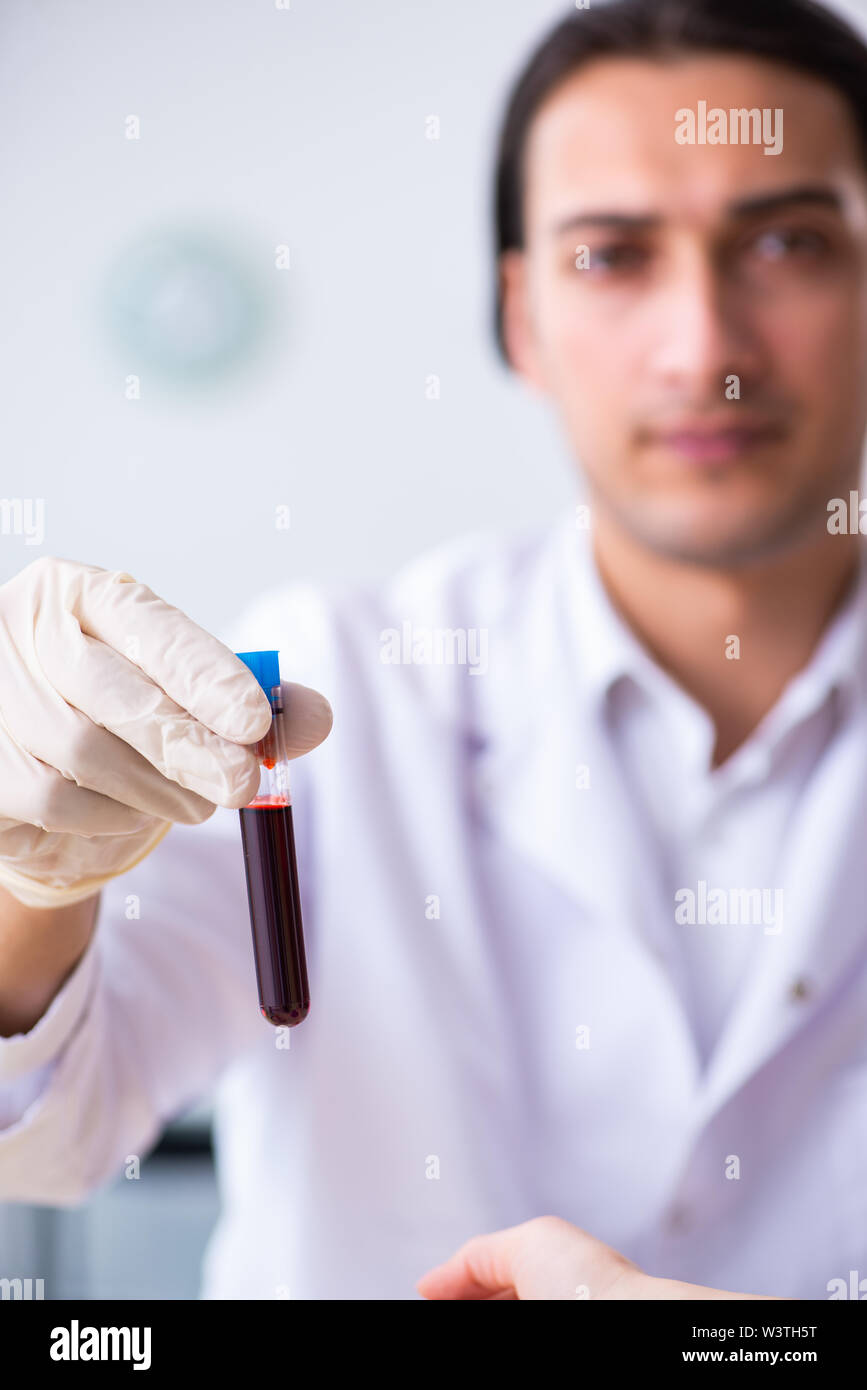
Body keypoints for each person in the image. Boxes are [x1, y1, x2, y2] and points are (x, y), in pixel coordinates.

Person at [2, 0, 867, 1301]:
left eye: (789, 240)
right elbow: (52, 1137)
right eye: (612, 255)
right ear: (521, 319)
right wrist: (29, 880)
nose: (706, 349)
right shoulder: (341, 682)